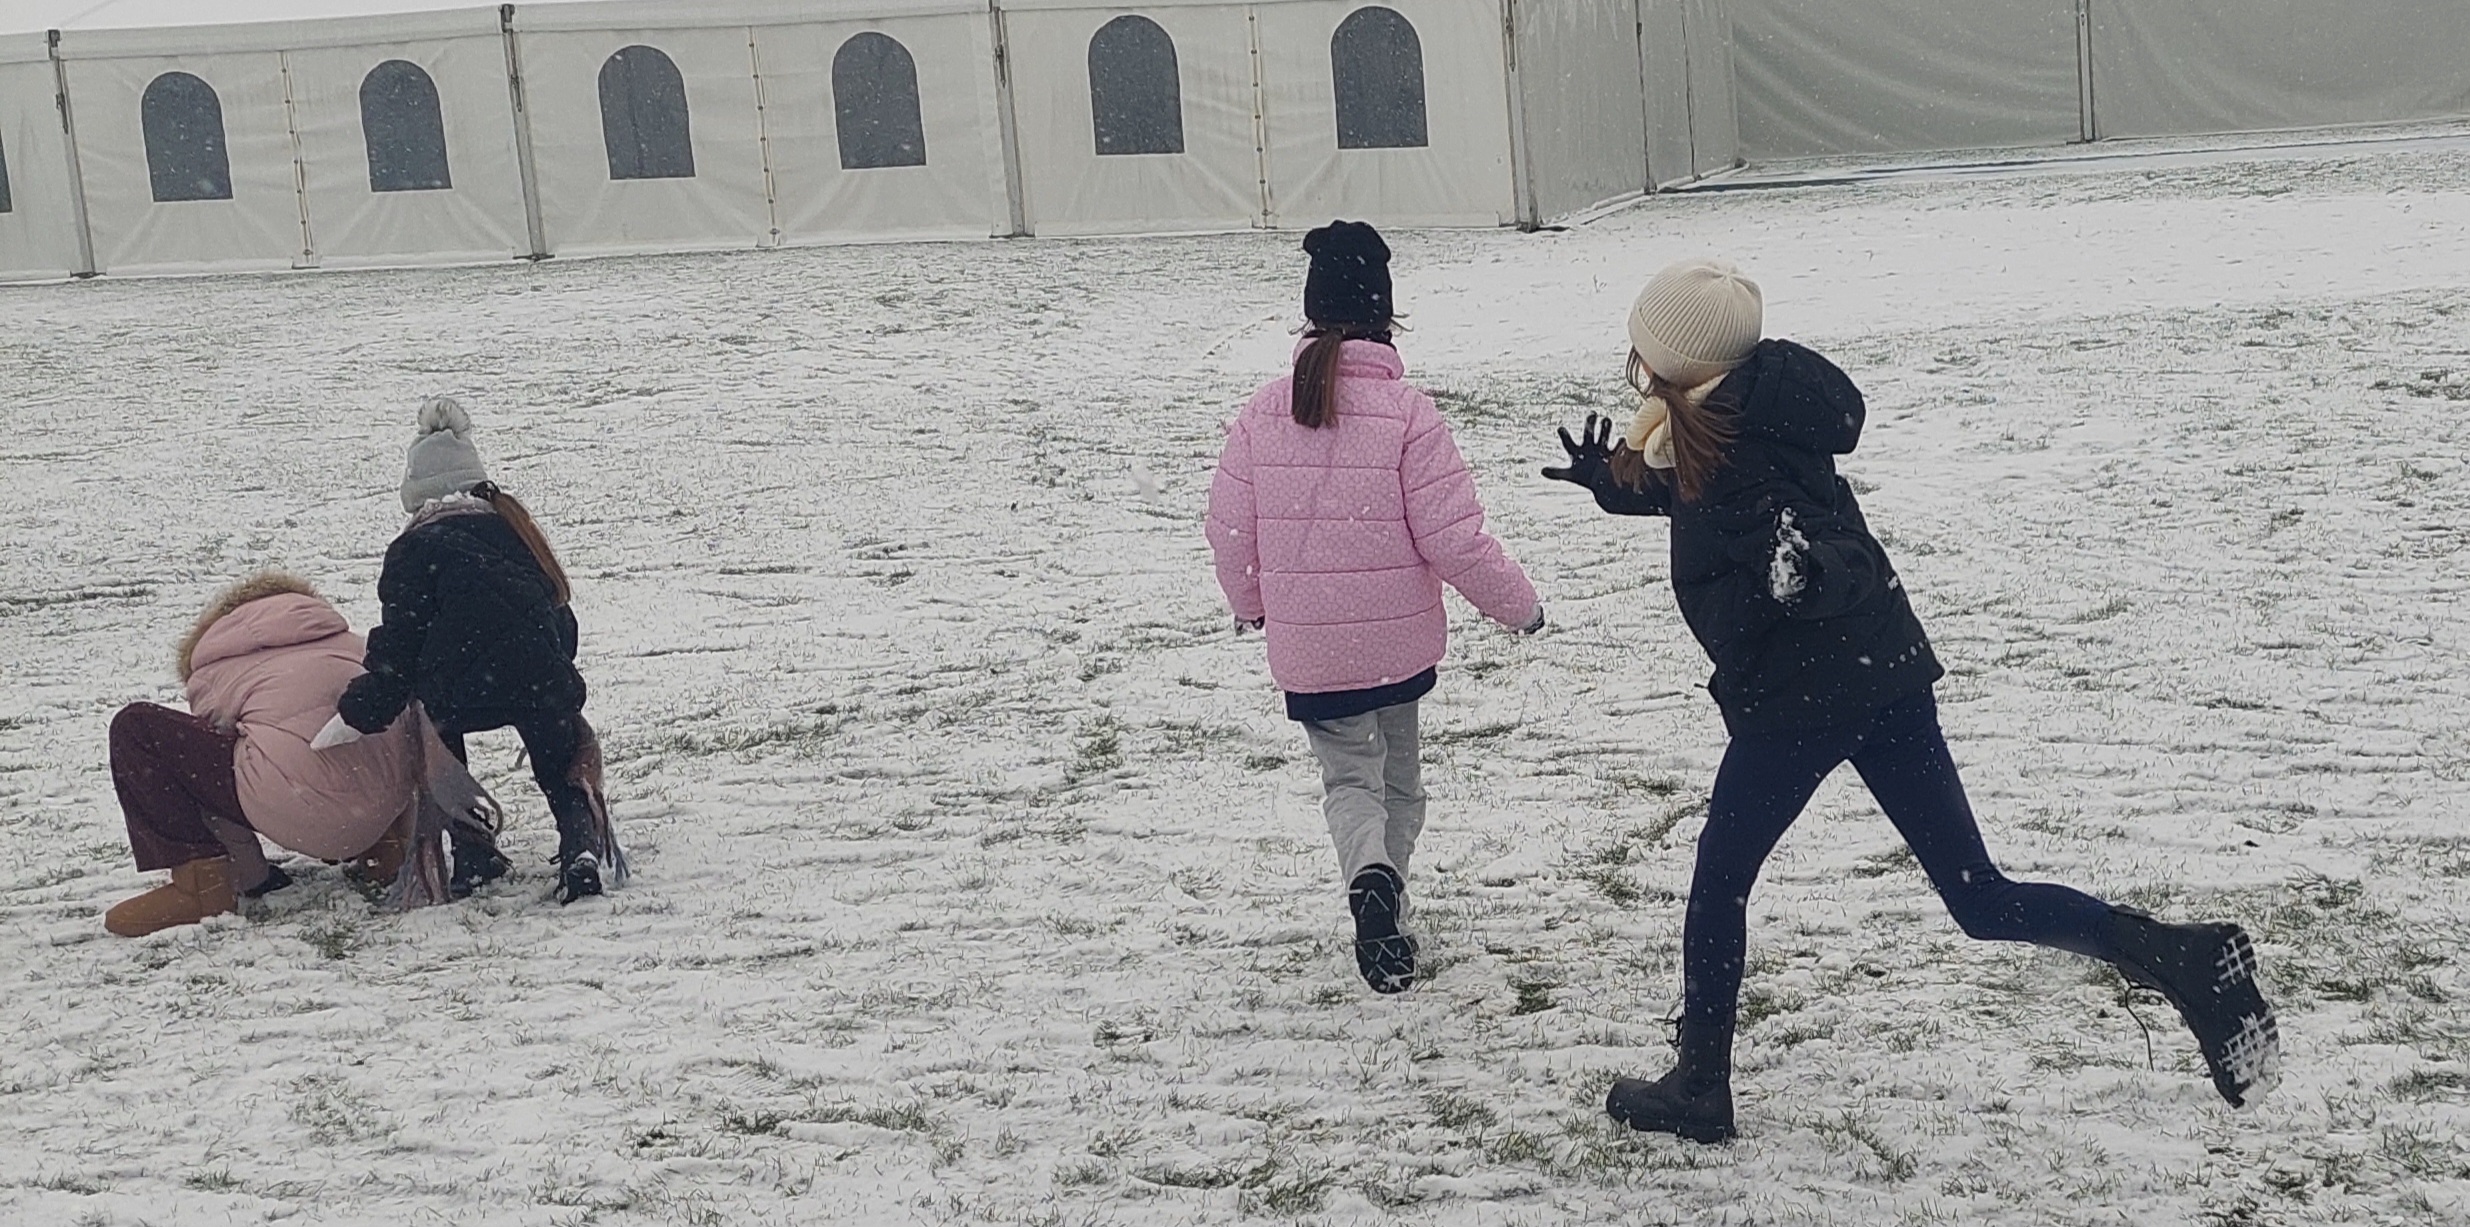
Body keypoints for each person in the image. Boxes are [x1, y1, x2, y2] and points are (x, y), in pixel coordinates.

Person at [1541, 258, 2279, 1140]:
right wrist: (1612, 483)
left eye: (1645, 349)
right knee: (1980, 898)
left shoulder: (1738, 449)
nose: (1636, 362)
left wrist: (1810, 574)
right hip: (1882, 676)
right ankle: (2178, 954)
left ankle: (1700, 1088)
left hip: (1802, 702)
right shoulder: (1744, 413)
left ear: (1680, 364)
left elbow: (1820, 545)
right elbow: (1709, 501)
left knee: (1719, 885)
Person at [1207, 221, 1543, 994]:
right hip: (1396, 647)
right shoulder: (1407, 414)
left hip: (1313, 652)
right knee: (1400, 785)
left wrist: (1251, 603)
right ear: (1386, 316)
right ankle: (1386, 889)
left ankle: (1372, 880)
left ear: (1310, 313)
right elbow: (1454, 538)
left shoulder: (1264, 412)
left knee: (1349, 781)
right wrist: (1518, 607)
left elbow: (1229, 528)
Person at [337, 397, 624, 904]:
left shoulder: (411, 550)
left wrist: (364, 705)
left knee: (434, 736)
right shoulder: (516, 532)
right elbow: (559, 617)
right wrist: (557, 672)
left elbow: (400, 645)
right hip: (537, 678)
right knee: (558, 748)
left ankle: (472, 851)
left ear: (417, 494)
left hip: (457, 691)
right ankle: (579, 840)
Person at [104, 573, 447, 936]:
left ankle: (202, 887)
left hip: (301, 809)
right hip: (380, 810)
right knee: (375, 727)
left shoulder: (220, 666)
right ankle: (388, 849)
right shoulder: (356, 645)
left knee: (142, 731)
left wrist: (249, 873)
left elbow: (201, 768)